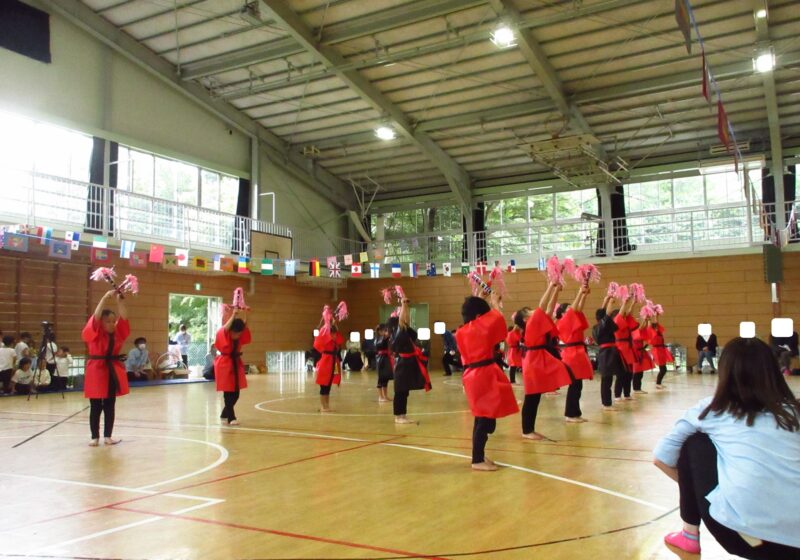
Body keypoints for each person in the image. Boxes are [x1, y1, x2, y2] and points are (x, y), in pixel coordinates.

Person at [653, 337, 800, 558]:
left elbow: (661, 458)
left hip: (747, 539)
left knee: (694, 443)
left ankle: (689, 534)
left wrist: (699, 486)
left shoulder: (711, 409)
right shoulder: (794, 411)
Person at [456, 291, 519, 471]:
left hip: (476, 375)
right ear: (478, 317)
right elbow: (496, 320)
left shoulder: (463, 330)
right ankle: (477, 459)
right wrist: (494, 303)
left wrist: (481, 299)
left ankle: (479, 455)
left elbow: (479, 318)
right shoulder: (476, 329)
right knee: (484, 420)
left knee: (483, 418)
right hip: (481, 375)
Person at [520, 282, 571, 440]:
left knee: (535, 397)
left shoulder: (536, 322)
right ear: (526, 318)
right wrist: (550, 286)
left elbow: (549, 309)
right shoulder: (531, 324)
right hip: (534, 360)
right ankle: (527, 430)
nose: (535, 310)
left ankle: (529, 430)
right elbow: (543, 306)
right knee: (531, 397)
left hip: (538, 358)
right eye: (530, 311)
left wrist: (556, 290)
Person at [82, 289, 130, 446]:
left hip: (112, 370)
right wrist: (103, 297)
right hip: (96, 369)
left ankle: (108, 436)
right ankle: (94, 436)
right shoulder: (95, 332)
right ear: (101, 323)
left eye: (112, 321)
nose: (111, 324)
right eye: (107, 321)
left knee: (110, 404)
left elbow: (124, 317)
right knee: (95, 405)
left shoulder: (117, 333)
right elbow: (95, 317)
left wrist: (119, 301)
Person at [556, 284, 593, 423]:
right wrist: (579, 292)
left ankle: (575, 413)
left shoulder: (572, 318)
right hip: (572, 355)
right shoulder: (562, 322)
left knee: (578, 385)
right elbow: (574, 309)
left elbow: (577, 309)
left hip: (578, 353)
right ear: (563, 313)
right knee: (574, 385)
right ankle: (570, 414)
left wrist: (584, 295)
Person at [391, 297, 431, 424]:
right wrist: (403, 304)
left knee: (404, 391)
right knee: (400, 391)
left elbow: (406, 320)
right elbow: (403, 320)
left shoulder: (405, 330)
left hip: (407, 363)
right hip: (402, 364)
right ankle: (398, 416)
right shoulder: (399, 330)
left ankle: (402, 415)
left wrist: (406, 307)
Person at [214, 310, 250, 425]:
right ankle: (231, 417)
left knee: (236, 393)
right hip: (224, 365)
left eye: (239, 333)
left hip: (235, 363)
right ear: (231, 331)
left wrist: (246, 314)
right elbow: (224, 329)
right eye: (236, 333)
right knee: (228, 392)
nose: (238, 335)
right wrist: (233, 315)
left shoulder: (238, 337)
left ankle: (225, 413)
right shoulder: (225, 334)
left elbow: (244, 327)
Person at [593, 295, 626, 411]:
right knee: (606, 380)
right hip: (605, 354)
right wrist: (610, 303)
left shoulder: (603, 325)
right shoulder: (599, 327)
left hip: (611, 352)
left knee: (611, 378)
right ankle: (606, 404)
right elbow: (606, 316)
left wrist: (605, 300)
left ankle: (609, 402)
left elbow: (604, 316)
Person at [314, 306, 345, 413]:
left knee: (328, 386)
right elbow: (317, 344)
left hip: (333, 361)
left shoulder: (335, 340)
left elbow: (340, 339)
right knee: (324, 385)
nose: (335, 335)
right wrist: (327, 325)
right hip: (326, 361)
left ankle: (326, 405)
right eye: (333, 334)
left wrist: (333, 323)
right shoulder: (325, 337)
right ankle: (323, 406)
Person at [613, 295, 637, 401]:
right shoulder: (616, 322)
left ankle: (627, 393)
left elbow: (628, 313)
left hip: (628, 349)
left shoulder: (624, 322)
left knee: (629, 373)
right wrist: (625, 302)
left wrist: (633, 303)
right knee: (621, 373)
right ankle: (617, 394)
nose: (625, 315)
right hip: (621, 349)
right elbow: (621, 313)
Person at [644, 312, 674, 389]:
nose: (657, 328)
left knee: (663, 368)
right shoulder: (651, 332)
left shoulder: (659, 332)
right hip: (657, 350)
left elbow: (657, 322)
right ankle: (658, 383)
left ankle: (658, 383)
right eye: (656, 327)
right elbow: (649, 326)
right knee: (663, 369)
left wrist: (656, 315)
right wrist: (649, 319)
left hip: (662, 350)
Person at [631, 319, 654, 394]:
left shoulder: (638, 333)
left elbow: (644, 328)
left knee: (640, 372)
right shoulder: (633, 333)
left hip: (640, 352)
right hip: (636, 353)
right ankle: (636, 388)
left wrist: (648, 320)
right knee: (637, 372)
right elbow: (641, 327)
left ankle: (638, 388)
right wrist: (644, 319)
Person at [375, 323, 394, 403]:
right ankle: (380, 396)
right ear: (379, 331)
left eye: (385, 330)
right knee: (381, 378)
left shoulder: (384, 337)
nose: (384, 331)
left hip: (385, 358)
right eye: (383, 330)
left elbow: (389, 333)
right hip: (381, 359)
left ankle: (385, 396)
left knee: (385, 378)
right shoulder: (378, 338)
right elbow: (388, 334)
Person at [505, 320, 523, 384]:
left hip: (515, 350)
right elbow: (515, 331)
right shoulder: (511, 334)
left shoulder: (510, 334)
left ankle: (512, 380)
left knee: (514, 366)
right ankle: (512, 380)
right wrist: (517, 321)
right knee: (513, 365)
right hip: (513, 351)